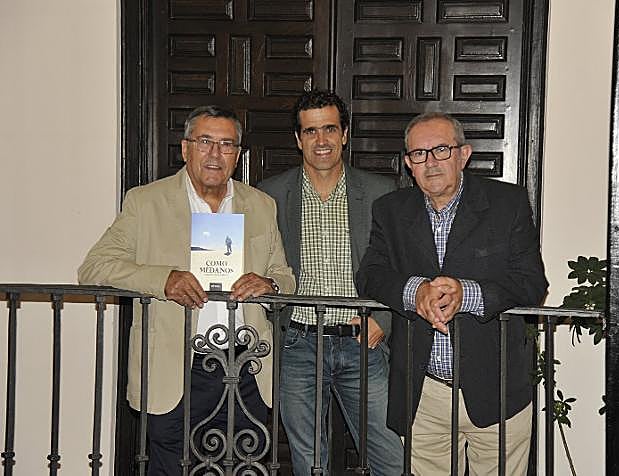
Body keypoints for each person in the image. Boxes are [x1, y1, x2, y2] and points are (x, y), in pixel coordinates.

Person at [78, 106, 295, 475]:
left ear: (238, 154)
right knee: (171, 466)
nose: (215, 154)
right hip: (177, 368)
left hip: (247, 368)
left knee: (243, 467)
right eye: (205, 141)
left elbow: (284, 276)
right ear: (185, 148)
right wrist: (163, 280)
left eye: (226, 144)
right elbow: (93, 268)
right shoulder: (146, 202)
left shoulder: (260, 205)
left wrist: (270, 284)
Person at [356, 112, 548, 475]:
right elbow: (371, 275)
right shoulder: (390, 210)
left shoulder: (507, 203)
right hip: (423, 393)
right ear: (408, 163)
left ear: (464, 154)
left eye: (441, 150)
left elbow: (531, 282)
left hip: (496, 389)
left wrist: (467, 295)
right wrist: (415, 292)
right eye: (419, 154)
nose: (430, 162)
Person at [258, 90, 403, 475]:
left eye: (329, 129)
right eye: (310, 131)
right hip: (297, 343)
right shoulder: (270, 195)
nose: (320, 140)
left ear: (345, 134)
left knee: (390, 457)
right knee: (309, 463)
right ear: (298, 138)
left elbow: (400, 265)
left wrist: (383, 320)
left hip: (362, 343)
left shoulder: (380, 192)